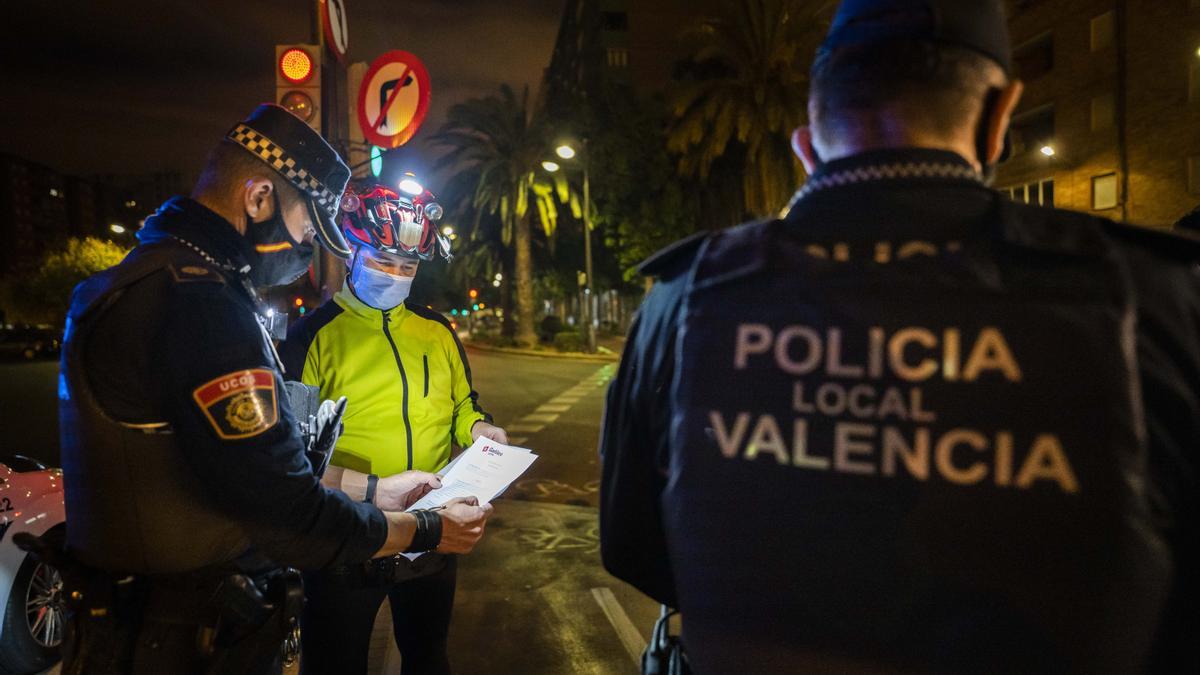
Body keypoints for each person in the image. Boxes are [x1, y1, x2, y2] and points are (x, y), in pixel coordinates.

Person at [599, 1, 1200, 672]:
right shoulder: (1157, 296)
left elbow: (633, 543)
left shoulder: (687, 293)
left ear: (807, 141)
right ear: (1000, 118)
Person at [50, 105, 492, 673]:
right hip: (180, 635)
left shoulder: (149, 277)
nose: (307, 248)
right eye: (308, 228)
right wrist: (427, 527)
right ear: (259, 199)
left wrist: (383, 492)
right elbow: (288, 510)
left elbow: (257, 467)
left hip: (148, 624)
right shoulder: (200, 304)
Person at [279, 180, 507, 674]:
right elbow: (292, 454)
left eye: (408, 267)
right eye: (383, 262)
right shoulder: (310, 337)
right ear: (350, 254)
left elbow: (464, 404)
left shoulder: (438, 330)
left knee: (429, 658)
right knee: (336, 664)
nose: (396, 275)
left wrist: (478, 430)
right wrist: (370, 492)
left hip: (432, 526)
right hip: (346, 534)